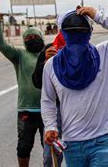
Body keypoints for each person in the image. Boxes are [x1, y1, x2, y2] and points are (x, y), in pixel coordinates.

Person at [41, 7, 108, 167]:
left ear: (89, 33)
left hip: (103, 139)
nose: (77, 37)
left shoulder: (104, 53)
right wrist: (50, 126)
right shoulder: (51, 66)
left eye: (82, 32)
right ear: (63, 34)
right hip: (72, 142)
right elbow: (47, 100)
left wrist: (98, 16)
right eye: (72, 33)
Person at [0, 6, 46, 167]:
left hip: (48, 110)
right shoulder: (19, 56)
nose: (32, 39)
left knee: (49, 147)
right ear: (24, 42)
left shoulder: (48, 54)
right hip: (26, 111)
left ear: (41, 38)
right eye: (28, 37)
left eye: (35, 36)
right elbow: (1, 44)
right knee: (23, 147)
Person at [32, 31, 65, 167]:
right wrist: (46, 62)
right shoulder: (50, 49)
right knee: (50, 155)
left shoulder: (84, 50)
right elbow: (36, 81)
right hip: (55, 109)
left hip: (77, 108)